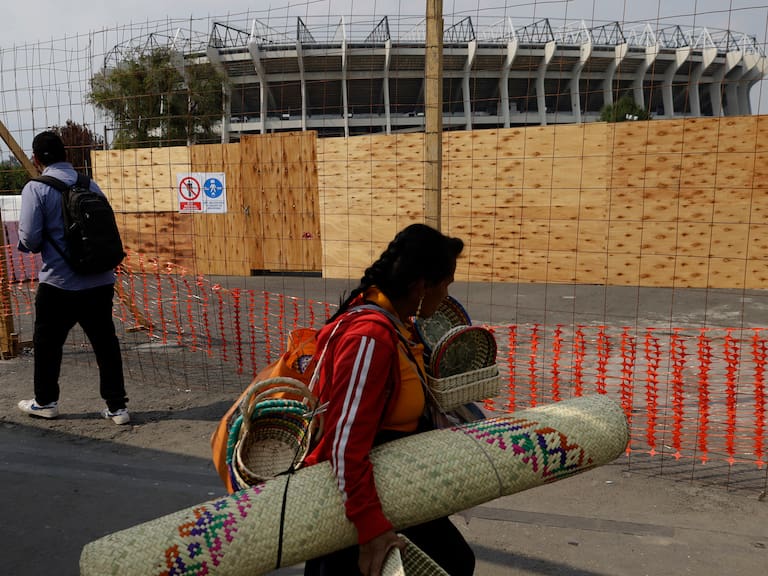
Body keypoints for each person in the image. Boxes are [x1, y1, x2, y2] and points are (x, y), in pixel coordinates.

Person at [302, 223, 475, 576]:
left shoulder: (398, 322)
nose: (447, 294)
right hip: (363, 492)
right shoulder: (371, 337)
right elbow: (344, 443)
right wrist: (371, 529)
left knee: (456, 561)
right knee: (454, 562)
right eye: (446, 284)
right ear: (422, 286)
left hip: (396, 483)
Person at [16, 131, 129, 425]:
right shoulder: (89, 184)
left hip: (59, 283)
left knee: (47, 343)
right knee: (105, 342)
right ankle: (118, 408)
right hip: (100, 279)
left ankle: (46, 402)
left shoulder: (35, 189)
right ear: (65, 154)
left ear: (36, 159)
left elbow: (29, 237)